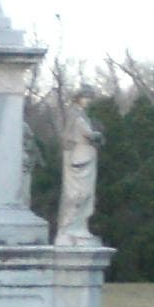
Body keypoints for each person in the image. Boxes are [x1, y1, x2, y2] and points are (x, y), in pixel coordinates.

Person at [56, 104, 102, 244]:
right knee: (79, 194)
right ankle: (71, 227)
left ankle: (79, 226)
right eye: (85, 98)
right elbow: (89, 134)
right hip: (81, 157)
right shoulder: (79, 119)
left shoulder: (82, 118)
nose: (88, 101)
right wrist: (97, 134)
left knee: (86, 195)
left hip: (86, 156)